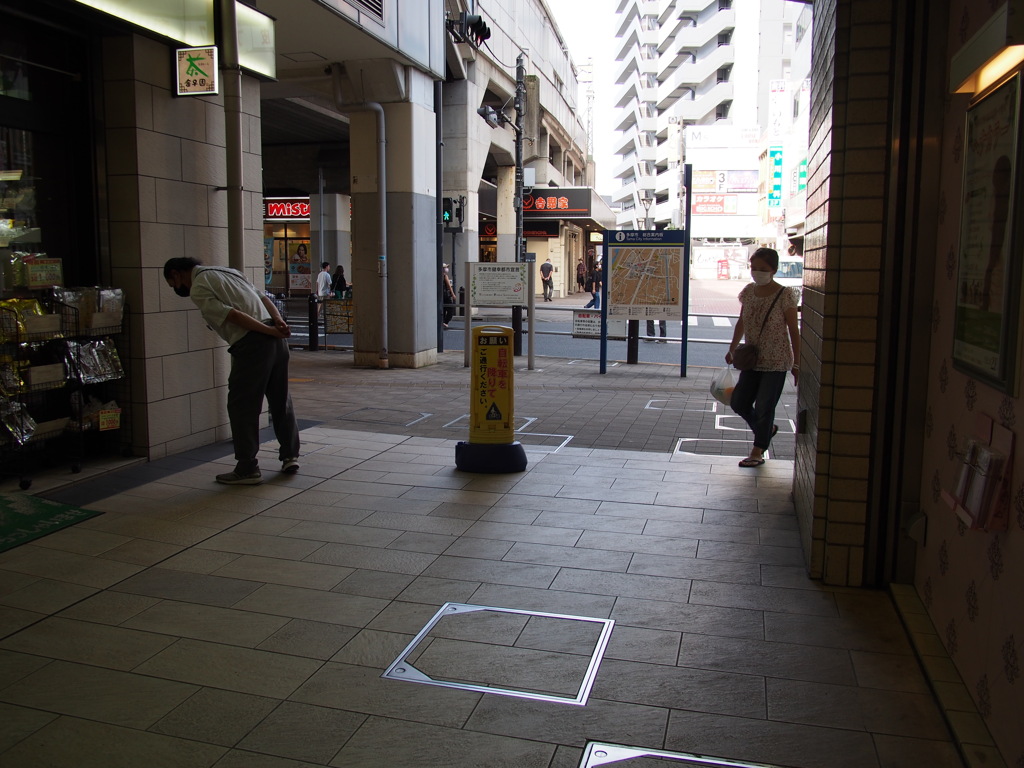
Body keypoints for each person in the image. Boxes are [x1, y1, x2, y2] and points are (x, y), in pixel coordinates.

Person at [163, 257, 300, 485]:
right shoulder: (230, 272)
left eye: (173, 284)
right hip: (276, 343)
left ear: (177, 274)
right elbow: (263, 297)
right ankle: (290, 456)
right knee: (280, 399)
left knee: (241, 405)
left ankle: (247, 468)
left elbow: (233, 315)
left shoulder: (199, 287)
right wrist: (277, 323)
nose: (177, 289)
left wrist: (270, 332)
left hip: (253, 344)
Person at [725, 247, 800, 468]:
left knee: (766, 405)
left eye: (763, 269)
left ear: (774, 270)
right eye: (754, 268)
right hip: (751, 358)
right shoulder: (748, 291)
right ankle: (767, 430)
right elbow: (742, 321)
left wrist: (797, 362)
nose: (757, 272)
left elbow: (793, 330)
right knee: (739, 402)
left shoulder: (785, 294)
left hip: (776, 359)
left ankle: (757, 451)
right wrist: (732, 348)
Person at [441, 263, 456, 328]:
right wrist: (453, 294)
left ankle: (443, 322)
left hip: (440, 296)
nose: (446, 269)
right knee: (450, 309)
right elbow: (449, 286)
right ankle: (445, 322)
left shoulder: (438, 276)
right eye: (445, 267)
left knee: (443, 309)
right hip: (446, 295)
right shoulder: (445, 276)